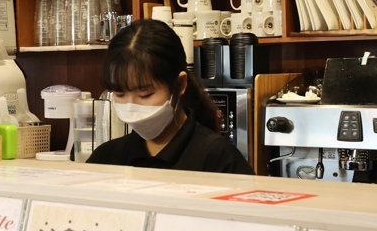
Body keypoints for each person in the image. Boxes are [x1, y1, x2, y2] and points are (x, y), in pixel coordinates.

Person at [86, 19, 254, 174]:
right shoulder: (106, 158)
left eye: (145, 94)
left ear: (180, 84)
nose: (131, 106)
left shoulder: (218, 159)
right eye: (119, 93)